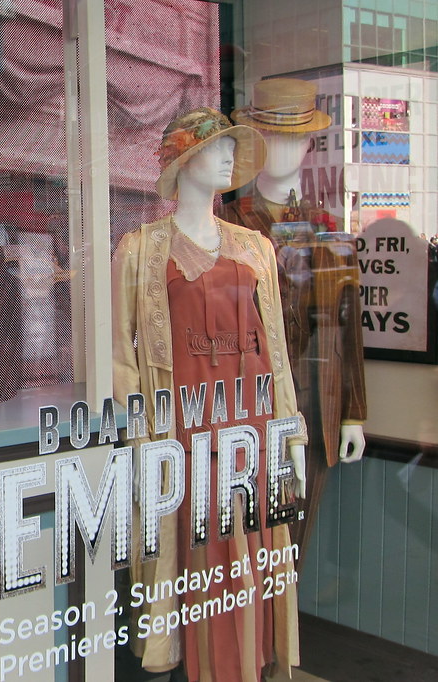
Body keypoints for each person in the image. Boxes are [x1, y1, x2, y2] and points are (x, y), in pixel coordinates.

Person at [113, 108, 305, 682]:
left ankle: (249, 663)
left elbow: (276, 348)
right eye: (218, 147)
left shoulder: (256, 249)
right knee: (201, 560)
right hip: (187, 437)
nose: (229, 158)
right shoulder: (141, 250)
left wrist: (290, 428)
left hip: (254, 428)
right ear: (183, 160)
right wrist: (139, 440)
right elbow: (123, 357)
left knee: (253, 554)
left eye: (231, 148)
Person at [221, 78, 367, 556]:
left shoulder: (329, 234)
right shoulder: (225, 225)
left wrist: (352, 414)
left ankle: (283, 631)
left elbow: (348, 329)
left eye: (293, 137)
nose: (282, 150)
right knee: (244, 547)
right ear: (255, 143)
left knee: (294, 549)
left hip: (315, 410)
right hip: (246, 410)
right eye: (271, 138)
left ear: (308, 144)